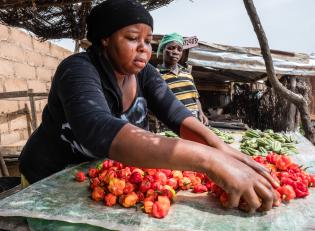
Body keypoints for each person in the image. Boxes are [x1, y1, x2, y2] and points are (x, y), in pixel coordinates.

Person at [19, 0, 278, 213]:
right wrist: (208, 160)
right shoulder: (78, 70)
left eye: (148, 40)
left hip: (97, 179)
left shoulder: (146, 74)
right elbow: (96, 128)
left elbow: (177, 115)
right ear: (105, 39)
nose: (144, 48)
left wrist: (222, 150)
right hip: (50, 179)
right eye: (133, 38)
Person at [157, 33, 208, 125]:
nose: (176, 52)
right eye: (171, 48)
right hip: (172, 123)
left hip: (194, 120)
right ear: (162, 49)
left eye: (179, 49)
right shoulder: (156, 74)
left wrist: (201, 113)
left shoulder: (187, 73)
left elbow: (195, 98)